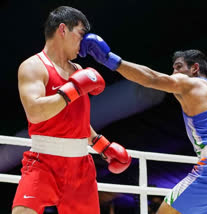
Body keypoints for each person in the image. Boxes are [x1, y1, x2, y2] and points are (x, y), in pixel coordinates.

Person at [78, 33, 207, 214]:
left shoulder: (192, 84)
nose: (174, 73)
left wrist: (111, 59)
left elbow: (152, 78)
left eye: (178, 67)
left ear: (195, 68)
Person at [13, 7, 131, 214]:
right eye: (81, 34)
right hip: (44, 161)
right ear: (62, 30)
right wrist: (72, 90)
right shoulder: (33, 66)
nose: (85, 44)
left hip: (80, 165)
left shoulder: (78, 71)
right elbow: (35, 112)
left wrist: (101, 144)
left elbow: (78, 121)